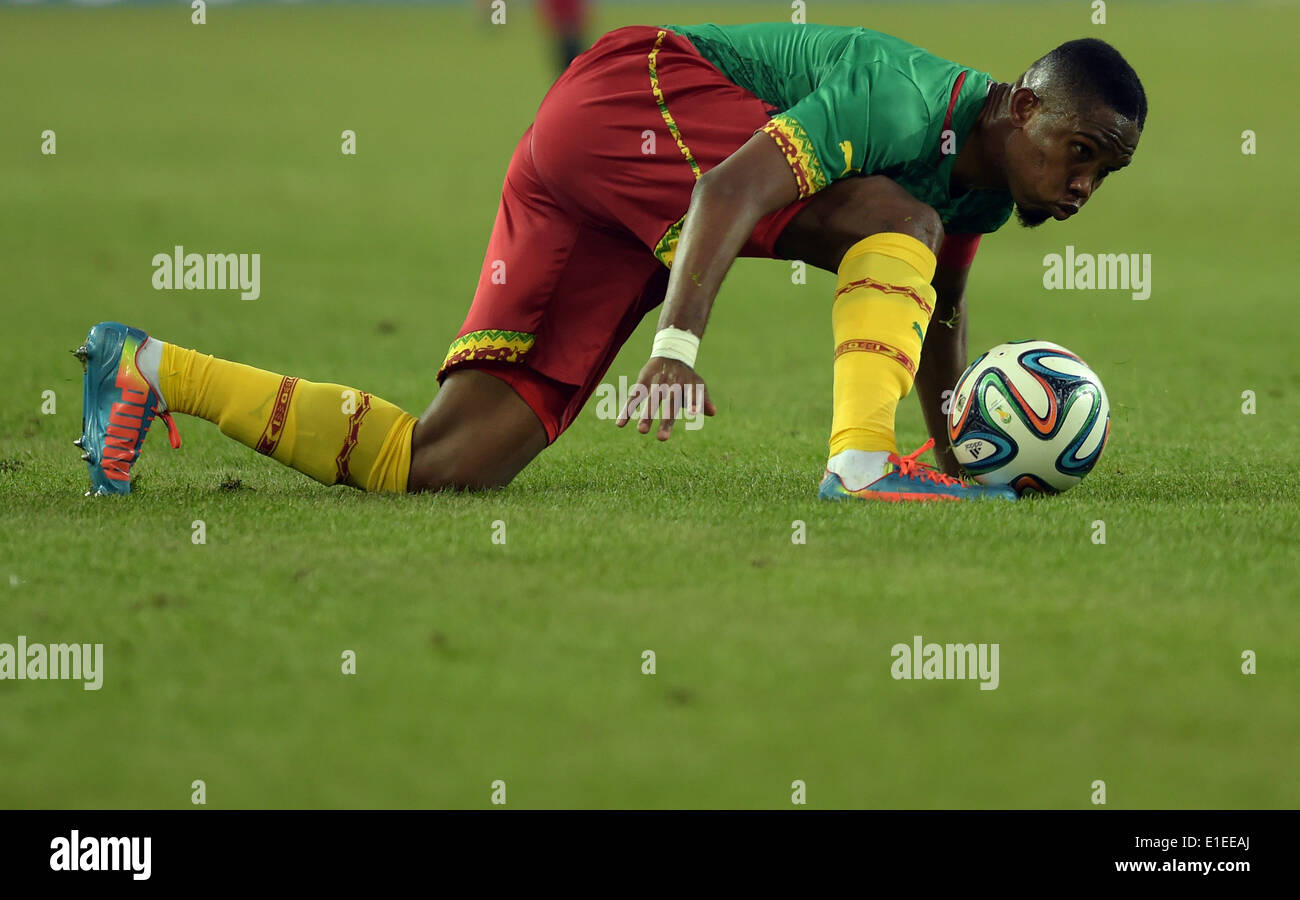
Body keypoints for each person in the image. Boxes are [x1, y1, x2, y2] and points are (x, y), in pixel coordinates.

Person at [72, 23, 1144, 502]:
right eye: (1078, 152)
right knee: (895, 222)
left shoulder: (984, 198)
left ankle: (146, 368)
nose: (1083, 185)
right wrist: (676, 346)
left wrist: (959, 463)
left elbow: (939, 323)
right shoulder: (900, 96)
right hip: (628, 108)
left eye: (1104, 174)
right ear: (1016, 106)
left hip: (588, 189)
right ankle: (852, 465)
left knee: (442, 464)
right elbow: (725, 191)